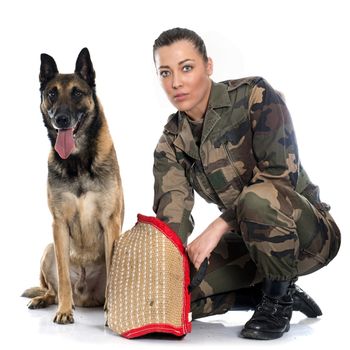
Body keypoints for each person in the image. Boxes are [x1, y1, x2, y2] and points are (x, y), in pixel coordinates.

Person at [152, 27, 341, 340]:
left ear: (208, 66)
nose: (176, 83)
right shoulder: (170, 144)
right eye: (165, 72)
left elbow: (279, 177)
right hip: (249, 244)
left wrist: (218, 226)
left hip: (306, 236)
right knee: (173, 294)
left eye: (187, 68)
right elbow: (172, 218)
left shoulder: (255, 95)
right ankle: (263, 293)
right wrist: (166, 272)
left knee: (257, 198)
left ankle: (278, 300)